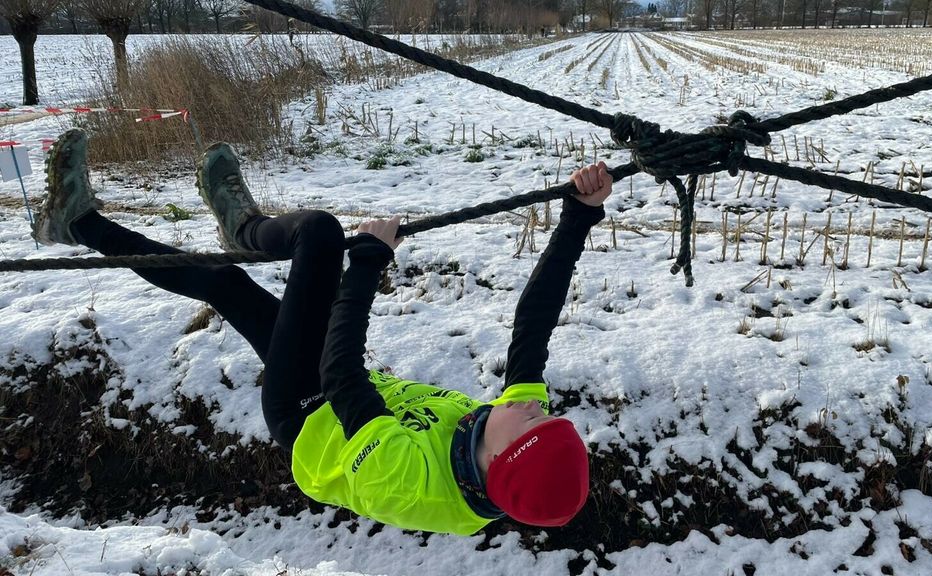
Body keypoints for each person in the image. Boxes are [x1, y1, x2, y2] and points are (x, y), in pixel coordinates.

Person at [32, 128, 613, 535]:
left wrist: (367, 263)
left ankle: (243, 225)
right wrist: (578, 217)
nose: (538, 407)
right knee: (226, 285)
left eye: (537, 421)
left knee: (319, 234)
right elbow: (533, 327)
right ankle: (79, 223)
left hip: (307, 410)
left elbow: (342, 377)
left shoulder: (406, 478)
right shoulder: (510, 440)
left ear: (502, 458)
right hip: (338, 397)